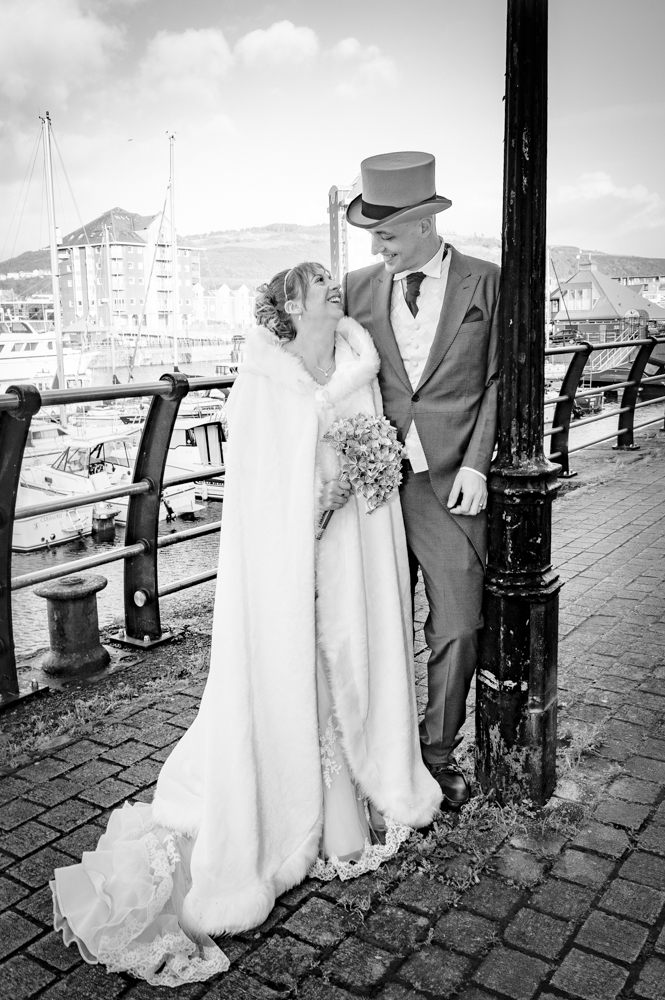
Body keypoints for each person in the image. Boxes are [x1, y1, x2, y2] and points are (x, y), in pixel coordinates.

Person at [50, 262, 442, 988]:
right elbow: (261, 489)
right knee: (289, 677)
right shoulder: (262, 382)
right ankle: (281, 824)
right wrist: (314, 504)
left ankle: (343, 808)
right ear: (290, 303)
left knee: (340, 671)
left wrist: (365, 474)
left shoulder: (359, 366)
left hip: (345, 567)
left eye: (330, 279)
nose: (332, 286)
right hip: (288, 571)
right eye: (316, 281)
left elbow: (372, 454)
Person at [344, 151, 500, 810]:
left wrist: (475, 463)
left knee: (459, 627)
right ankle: (381, 755)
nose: (375, 245)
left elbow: (499, 379)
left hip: (451, 487)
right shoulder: (353, 288)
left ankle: (437, 755)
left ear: (421, 223)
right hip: (374, 491)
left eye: (385, 232)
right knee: (371, 627)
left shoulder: (486, 283)